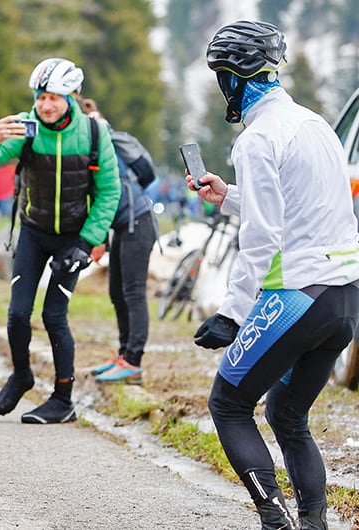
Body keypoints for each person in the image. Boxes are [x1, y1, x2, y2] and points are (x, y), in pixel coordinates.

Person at [190, 21, 359, 529]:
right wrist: (229, 196)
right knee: (287, 412)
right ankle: (313, 525)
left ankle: (274, 518)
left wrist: (232, 313)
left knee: (229, 403)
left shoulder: (256, 138)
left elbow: (262, 235)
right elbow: (297, 209)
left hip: (297, 295)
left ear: (234, 80)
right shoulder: (315, 124)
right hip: (345, 297)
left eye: (222, 76)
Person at [0, 57, 120, 424]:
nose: (46, 105)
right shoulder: (26, 129)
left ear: (71, 96)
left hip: (74, 237)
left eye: (54, 97)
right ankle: (21, 375)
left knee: (55, 315)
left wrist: (87, 243)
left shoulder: (94, 134)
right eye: (40, 98)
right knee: (18, 313)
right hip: (34, 233)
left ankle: (63, 398)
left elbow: (109, 192)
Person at [80, 98, 158, 385]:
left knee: (134, 292)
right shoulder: (91, 149)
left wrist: (98, 237)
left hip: (138, 222)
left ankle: (133, 361)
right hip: (123, 226)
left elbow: (109, 196)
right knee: (117, 291)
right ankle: (124, 354)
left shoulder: (106, 147)